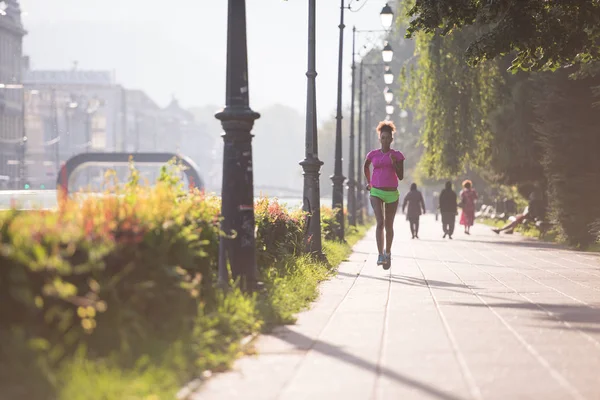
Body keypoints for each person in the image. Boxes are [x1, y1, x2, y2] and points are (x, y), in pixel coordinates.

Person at [364, 120, 405, 269]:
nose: (386, 140)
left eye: (388, 138)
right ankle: (380, 254)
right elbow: (366, 166)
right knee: (380, 222)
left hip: (392, 193)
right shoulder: (373, 154)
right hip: (375, 191)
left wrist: (394, 163)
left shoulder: (397, 155)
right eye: (383, 137)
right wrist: (369, 182)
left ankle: (388, 252)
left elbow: (400, 176)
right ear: (380, 138)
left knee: (389, 226)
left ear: (392, 139)